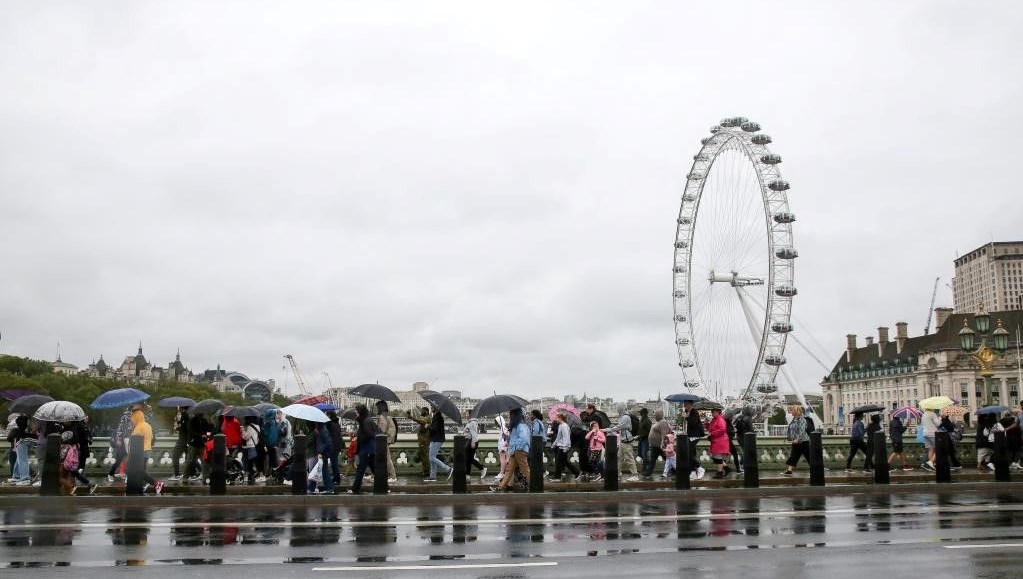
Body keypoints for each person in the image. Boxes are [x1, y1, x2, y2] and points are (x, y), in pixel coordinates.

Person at [129, 405, 164, 495]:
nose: (132, 419)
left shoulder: (139, 427)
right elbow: (152, 438)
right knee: (141, 470)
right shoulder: (148, 425)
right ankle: (140, 487)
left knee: (139, 471)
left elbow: (134, 441)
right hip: (148, 450)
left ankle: (156, 484)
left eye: (133, 417)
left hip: (140, 452)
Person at [493, 408, 531, 492]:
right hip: (515, 451)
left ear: (515, 415)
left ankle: (534, 485)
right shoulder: (518, 425)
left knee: (525, 469)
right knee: (509, 470)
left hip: (519, 451)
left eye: (511, 414)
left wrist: (517, 448)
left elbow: (524, 439)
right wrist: (506, 437)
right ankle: (501, 487)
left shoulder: (520, 425)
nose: (510, 416)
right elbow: (515, 438)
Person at [605, 403, 639, 481]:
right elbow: (620, 427)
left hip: (627, 441)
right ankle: (618, 473)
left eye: (618, 408)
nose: (617, 410)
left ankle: (635, 475)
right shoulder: (624, 417)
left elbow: (619, 427)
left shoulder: (625, 417)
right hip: (623, 441)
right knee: (619, 457)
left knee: (629, 458)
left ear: (620, 409)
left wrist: (607, 429)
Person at [349, 404, 376, 494]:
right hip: (370, 449)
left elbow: (369, 435)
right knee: (375, 470)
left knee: (360, 470)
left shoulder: (366, 421)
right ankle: (383, 486)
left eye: (357, 411)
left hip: (366, 449)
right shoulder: (367, 420)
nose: (355, 413)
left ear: (360, 412)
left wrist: (359, 438)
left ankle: (355, 489)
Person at [781, 405, 810, 476]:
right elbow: (792, 430)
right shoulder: (794, 419)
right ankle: (789, 470)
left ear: (797, 411)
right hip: (796, 442)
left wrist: (797, 439)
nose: (790, 412)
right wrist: (790, 438)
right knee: (794, 456)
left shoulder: (802, 419)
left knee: (808, 457)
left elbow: (802, 430)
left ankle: (817, 469)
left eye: (792, 410)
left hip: (803, 441)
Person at [551, 412, 580, 482]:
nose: (556, 419)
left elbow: (566, 437)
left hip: (563, 447)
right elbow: (558, 437)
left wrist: (565, 447)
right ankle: (577, 472)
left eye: (557, 418)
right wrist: (554, 444)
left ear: (560, 418)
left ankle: (557, 477)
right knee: (565, 462)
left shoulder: (564, 426)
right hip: (561, 446)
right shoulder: (561, 425)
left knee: (558, 462)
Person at [426, 404, 452, 482]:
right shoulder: (436, 416)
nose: (431, 408)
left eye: (432, 406)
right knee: (432, 458)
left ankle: (448, 469)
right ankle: (433, 476)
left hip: (436, 439)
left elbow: (435, 429)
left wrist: (428, 426)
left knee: (432, 457)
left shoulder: (437, 417)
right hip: (436, 439)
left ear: (436, 407)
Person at [106, 408, 133, 482]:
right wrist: (119, 439)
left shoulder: (130, 416)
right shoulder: (126, 416)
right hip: (124, 442)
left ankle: (124, 475)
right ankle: (110, 474)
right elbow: (120, 429)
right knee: (120, 460)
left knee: (125, 459)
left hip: (127, 440)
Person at [375, 401, 398, 483]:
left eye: (377, 407)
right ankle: (390, 475)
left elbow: (383, 429)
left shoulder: (382, 417)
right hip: (387, 439)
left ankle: (392, 476)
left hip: (383, 440)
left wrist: (377, 427)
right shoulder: (387, 416)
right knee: (386, 458)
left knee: (387, 459)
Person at [643, 410, 671, 478]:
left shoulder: (663, 422)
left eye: (655, 414)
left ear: (659, 414)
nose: (654, 416)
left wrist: (662, 444)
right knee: (653, 459)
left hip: (660, 446)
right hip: (655, 445)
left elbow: (664, 434)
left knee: (667, 459)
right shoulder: (658, 422)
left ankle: (675, 470)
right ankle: (648, 472)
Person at [706, 407, 732, 479]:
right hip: (716, 441)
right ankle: (726, 469)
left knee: (718, 458)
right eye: (711, 412)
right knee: (715, 457)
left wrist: (712, 434)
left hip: (720, 441)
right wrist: (706, 424)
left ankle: (719, 473)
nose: (712, 413)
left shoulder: (720, 419)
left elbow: (722, 429)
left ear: (718, 412)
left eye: (713, 412)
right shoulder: (714, 419)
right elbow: (711, 428)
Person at [315, 413, 338, 493]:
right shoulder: (321, 429)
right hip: (324, 452)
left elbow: (327, 442)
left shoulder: (322, 430)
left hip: (323, 453)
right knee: (324, 470)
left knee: (324, 470)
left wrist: (320, 451)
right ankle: (329, 488)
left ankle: (329, 488)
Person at [407, 407, 432, 478]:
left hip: (424, 441)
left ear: (426, 412)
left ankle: (426, 472)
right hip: (422, 440)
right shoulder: (425, 418)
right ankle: (424, 470)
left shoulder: (427, 418)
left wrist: (412, 418)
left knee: (424, 457)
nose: (421, 412)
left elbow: (422, 422)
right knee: (423, 456)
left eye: (422, 410)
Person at [7, 414, 32, 485]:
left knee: (22, 459)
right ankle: (16, 476)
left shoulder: (22, 419)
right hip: (26, 439)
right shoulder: (29, 419)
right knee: (19, 459)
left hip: (22, 440)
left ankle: (25, 478)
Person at [684, 401, 706, 480]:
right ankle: (693, 472)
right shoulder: (688, 412)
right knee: (691, 454)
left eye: (685, 404)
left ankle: (699, 468)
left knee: (690, 455)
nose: (684, 405)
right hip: (690, 435)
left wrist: (686, 417)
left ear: (690, 404)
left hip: (695, 436)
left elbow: (693, 423)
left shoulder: (695, 412)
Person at [463, 409, 486, 481]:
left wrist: (473, 442)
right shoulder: (471, 422)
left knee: (468, 459)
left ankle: (482, 468)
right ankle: (468, 475)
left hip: (471, 441)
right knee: (468, 459)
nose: (466, 415)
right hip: (470, 441)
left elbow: (474, 433)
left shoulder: (472, 422)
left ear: (470, 415)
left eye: (467, 414)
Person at [168, 407, 189, 481]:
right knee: (190, 458)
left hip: (183, 440)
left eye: (179, 413)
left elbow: (185, 427)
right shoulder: (187, 415)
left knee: (175, 456)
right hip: (186, 440)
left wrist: (178, 428)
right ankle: (190, 474)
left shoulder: (185, 415)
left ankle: (176, 474)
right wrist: (179, 422)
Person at [734, 407, 755, 474]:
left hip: (739, 436)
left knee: (744, 450)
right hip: (747, 437)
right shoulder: (748, 418)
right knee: (746, 451)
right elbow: (751, 429)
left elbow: (735, 426)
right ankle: (742, 465)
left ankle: (741, 465)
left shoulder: (739, 417)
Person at [495, 414, 510, 481]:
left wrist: (504, 444)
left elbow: (505, 437)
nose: (496, 424)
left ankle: (502, 473)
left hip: (503, 446)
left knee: (503, 460)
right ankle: (505, 473)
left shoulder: (503, 429)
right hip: (504, 446)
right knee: (505, 459)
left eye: (496, 422)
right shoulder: (504, 428)